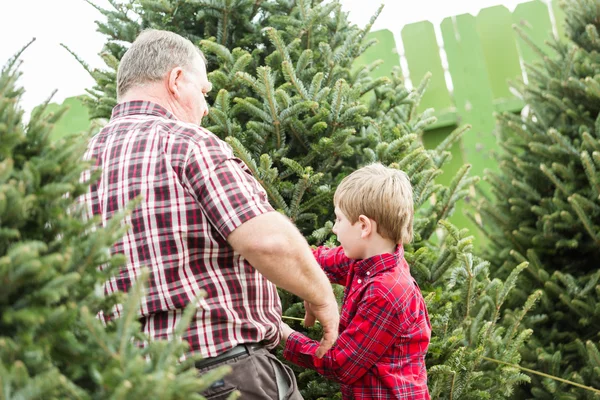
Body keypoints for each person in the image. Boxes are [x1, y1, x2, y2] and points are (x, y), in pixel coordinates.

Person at [79, 29, 339, 400]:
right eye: (203, 93)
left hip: (126, 385)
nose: (206, 108)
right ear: (176, 79)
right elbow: (266, 241)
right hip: (223, 380)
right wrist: (321, 295)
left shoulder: (77, 169)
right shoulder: (186, 143)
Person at [280, 163, 431, 400]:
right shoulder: (362, 260)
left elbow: (341, 364)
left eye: (339, 219)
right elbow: (316, 260)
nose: (335, 228)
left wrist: (283, 334)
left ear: (364, 226)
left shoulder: (387, 291)